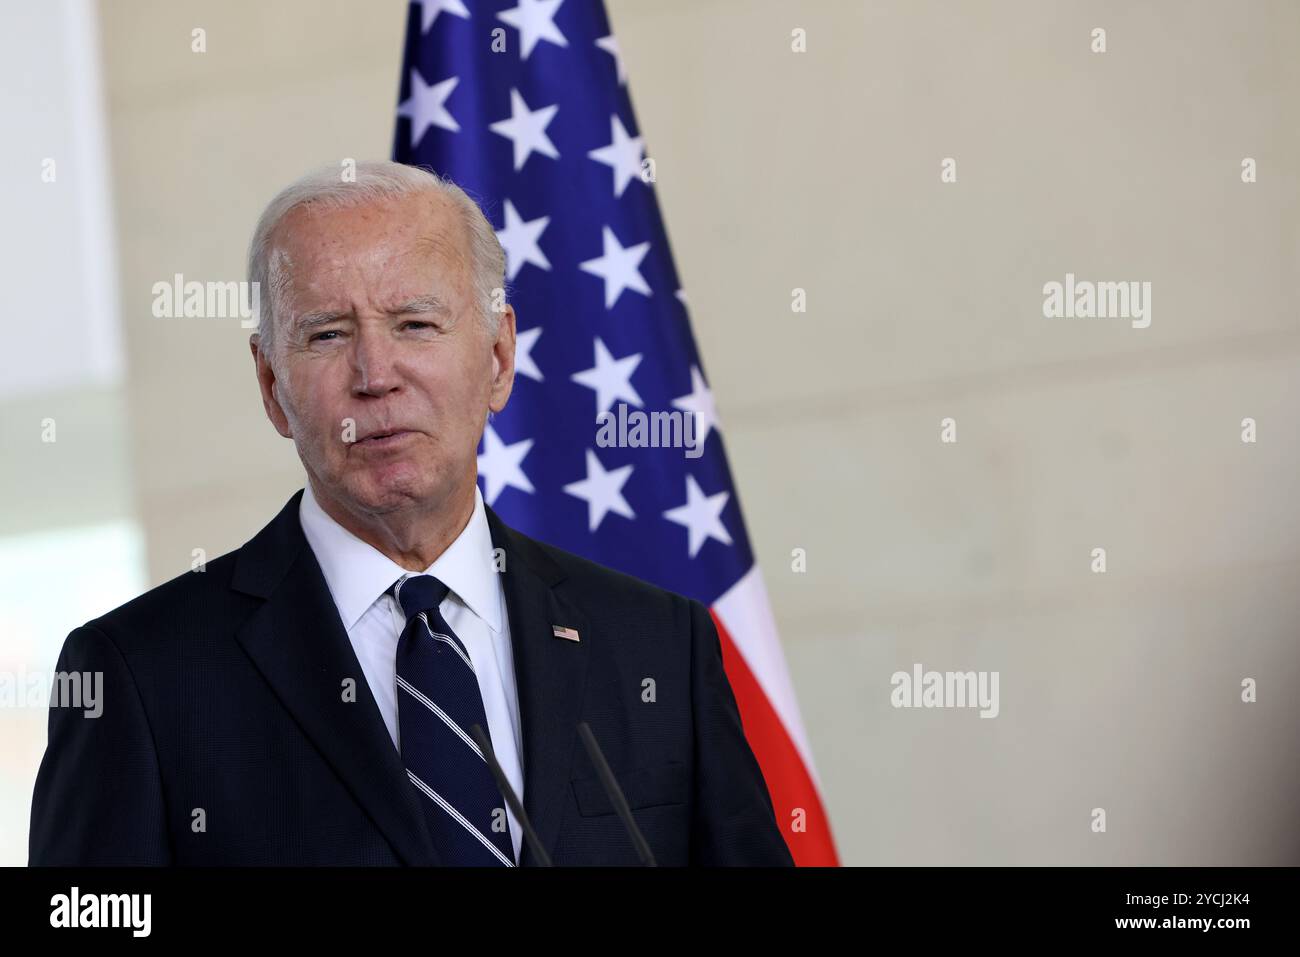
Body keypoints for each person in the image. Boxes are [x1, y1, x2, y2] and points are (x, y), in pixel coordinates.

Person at [28, 161, 793, 866]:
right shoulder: (140, 675)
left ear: (497, 358)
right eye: (327, 334)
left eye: (415, 324)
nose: (375, 375)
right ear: (270, 385)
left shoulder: (658, 645)